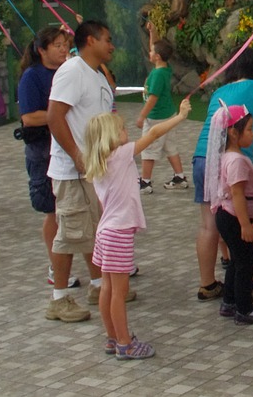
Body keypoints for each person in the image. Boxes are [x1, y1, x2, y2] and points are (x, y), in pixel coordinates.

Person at [82, 99, 190, 359]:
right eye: (121, 129)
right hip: (118, 233)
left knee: (107, 289)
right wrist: (180, 116)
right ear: (110, 137)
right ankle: (124, 343)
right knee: (119, 293)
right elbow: (153, 133)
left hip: (105, 232)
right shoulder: (120, 155)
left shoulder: (98, 164)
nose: (126, 132)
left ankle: (112, 338)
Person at [46, 20, 119, 323]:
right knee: (70, 232)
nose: (112, 46)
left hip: (94, 169)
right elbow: (54, 115)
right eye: (107, 39)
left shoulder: (97, 74)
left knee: (94, 227)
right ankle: (59, 299)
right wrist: (76, 155)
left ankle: (99, 284)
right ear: (90, 40)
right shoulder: (72, 71)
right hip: (72, 171)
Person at [193, 46, 253, 302]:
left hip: (204, 156)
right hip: (233, 161)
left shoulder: (220, 91)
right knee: (237, 218)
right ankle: (244, 281)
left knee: (209, 223)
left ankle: (209, 285)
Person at [17, 27, 88, 289]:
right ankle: (54, 266)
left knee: (78, 208)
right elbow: (28, 116)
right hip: (43, 151)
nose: (62, 49)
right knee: (53, 211)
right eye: (56, 45)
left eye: (64, 44)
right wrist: (59, 115)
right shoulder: (32, 77)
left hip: (71, 147)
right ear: (41, 50)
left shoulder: (69, 71)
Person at [209, 102, 253, 324]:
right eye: (250, 129)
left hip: (228, 216)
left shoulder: (231, 158)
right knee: (246, 262)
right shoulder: (237, 161)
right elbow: (237, 193)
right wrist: (245, 224)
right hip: (234, 217)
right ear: (234, 133)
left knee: (236, 260)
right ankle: (244, 308)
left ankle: (229, 301)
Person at [135, 39, 186, 193]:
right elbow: (157, 48)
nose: (149, 53)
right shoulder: (165, 69)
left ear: (157, 56)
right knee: (170, 146)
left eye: (151, 51)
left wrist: (142, 117)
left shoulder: (157, 75)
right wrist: (151, 33)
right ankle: (180, 177)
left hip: (156, 118)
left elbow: (152, 98)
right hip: (169, 116)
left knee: (148, 148)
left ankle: (145, 182)